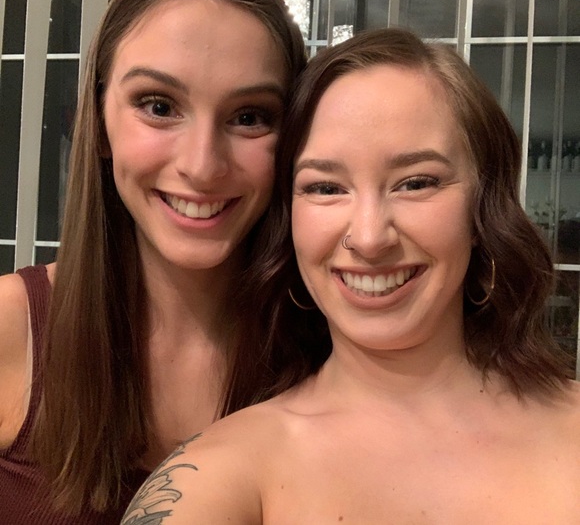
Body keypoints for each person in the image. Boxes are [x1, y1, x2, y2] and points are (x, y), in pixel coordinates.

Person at [122, 27, 580, 524]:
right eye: (325, 188)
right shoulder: (223, 473)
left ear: (483, 208)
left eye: (415, 183)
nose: (368, 238)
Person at [0, 0, 307, 522]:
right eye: (159, 106)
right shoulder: (11, 329)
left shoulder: (329, 356)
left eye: (249, 117)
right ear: (98, 123)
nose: (202, 166)